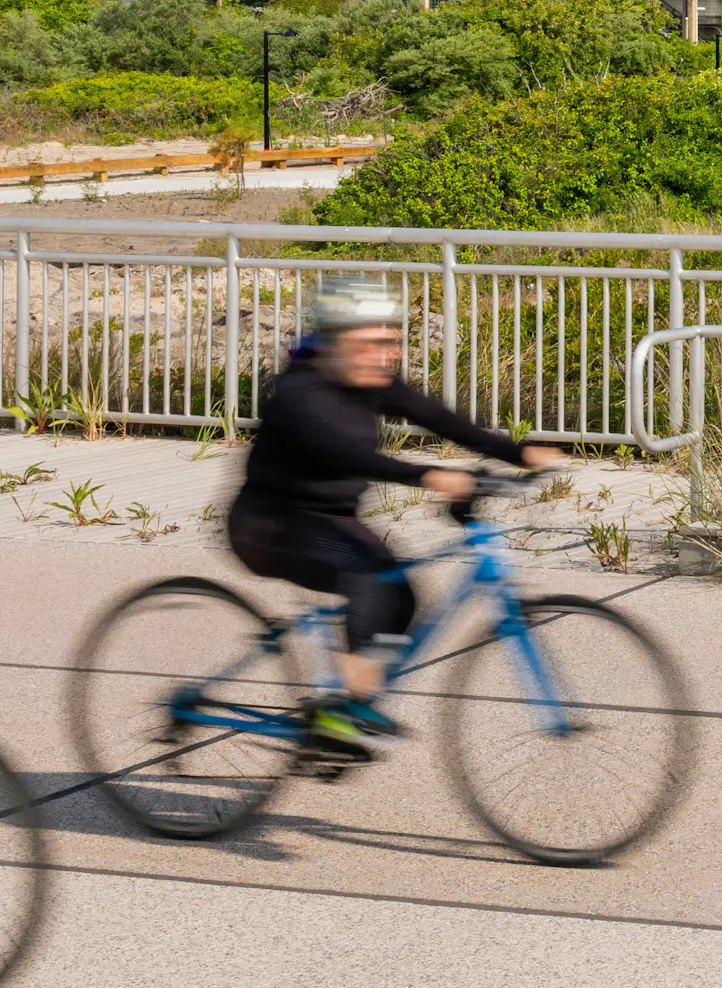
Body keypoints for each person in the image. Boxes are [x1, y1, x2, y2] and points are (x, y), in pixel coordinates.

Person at [229, 279, 564, 755]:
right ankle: (342, 713)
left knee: (402, 596)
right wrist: (429, 475)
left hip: (333, 519)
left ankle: (345, 706)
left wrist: (517, 451)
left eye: (391, 341)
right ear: (333, 342)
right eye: (371, 343)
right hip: (271, 525)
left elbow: (443, 420)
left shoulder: (371, 381)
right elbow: (347, 454)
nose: (385, 354)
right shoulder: (300, 393)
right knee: (368, 577)